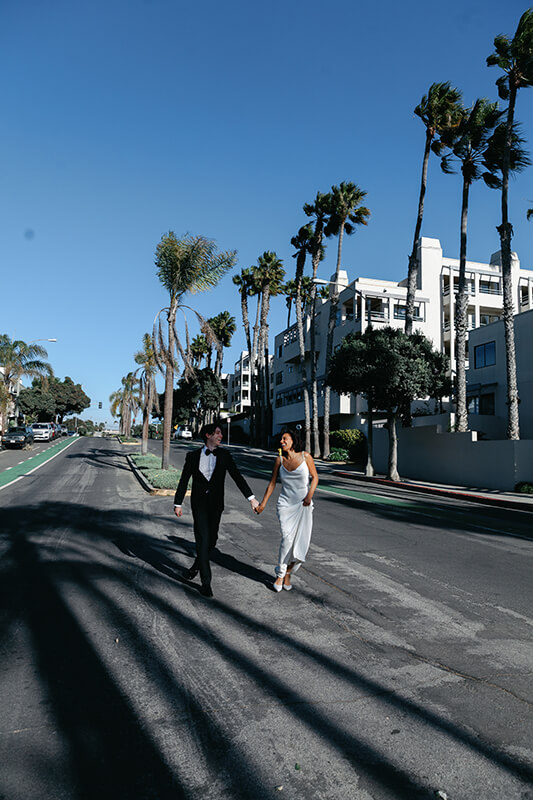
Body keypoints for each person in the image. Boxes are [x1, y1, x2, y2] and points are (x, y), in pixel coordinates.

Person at [173, 421, 259, 597]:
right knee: (203, 540)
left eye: (221, 433)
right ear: (208, 435)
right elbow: (184, 481)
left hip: (216, 505)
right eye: (218, 433)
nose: (221, 436)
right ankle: (206, 583)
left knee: (211, 541)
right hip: (199, 505)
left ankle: (195, 567)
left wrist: (251, 499)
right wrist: (178, 503)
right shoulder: (192, 456)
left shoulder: (225, 455)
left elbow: (237, 477)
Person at [255, 428, 318, 592]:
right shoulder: (279, 460)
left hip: (303, 505)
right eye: (281, 439)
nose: (281, 441)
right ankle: (281, 574)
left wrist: (309, 496)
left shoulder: (306, 457)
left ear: (293, 441)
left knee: (300, 543)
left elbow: (315, 478)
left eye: (285, 439)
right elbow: (272, 483)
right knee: (287, 539)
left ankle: (288, 572)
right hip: (285, 505)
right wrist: (262, 504)